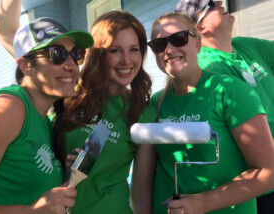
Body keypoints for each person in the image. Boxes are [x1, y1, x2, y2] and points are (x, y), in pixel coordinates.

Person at [133, 12, 274, 214]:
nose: (169, 50)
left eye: (178, 39)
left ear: (198, 43)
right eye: (159, 45)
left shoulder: (231, 92)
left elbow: (268, 173)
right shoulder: (156, 103)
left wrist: (201, 203)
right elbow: (142, 187)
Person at [0, 0, 93, 213]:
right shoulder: (9, 108)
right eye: (57, 54)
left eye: (76, 54)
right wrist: (32, 210)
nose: (71, 65)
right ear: (25, 65)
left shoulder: (45, 120)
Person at [174, 1, 274, 213]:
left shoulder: (245, 46)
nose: (220, 2)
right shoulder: (208, 70)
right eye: (211, 4)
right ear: (199, 28)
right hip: (261, 190)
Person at [58, 11, 157, 214]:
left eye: (134, 49)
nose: (127, 60)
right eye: (115, 50)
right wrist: (63, 161)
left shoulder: (143, 112)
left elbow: (141, 192)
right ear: (98, 54)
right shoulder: (67, 97)